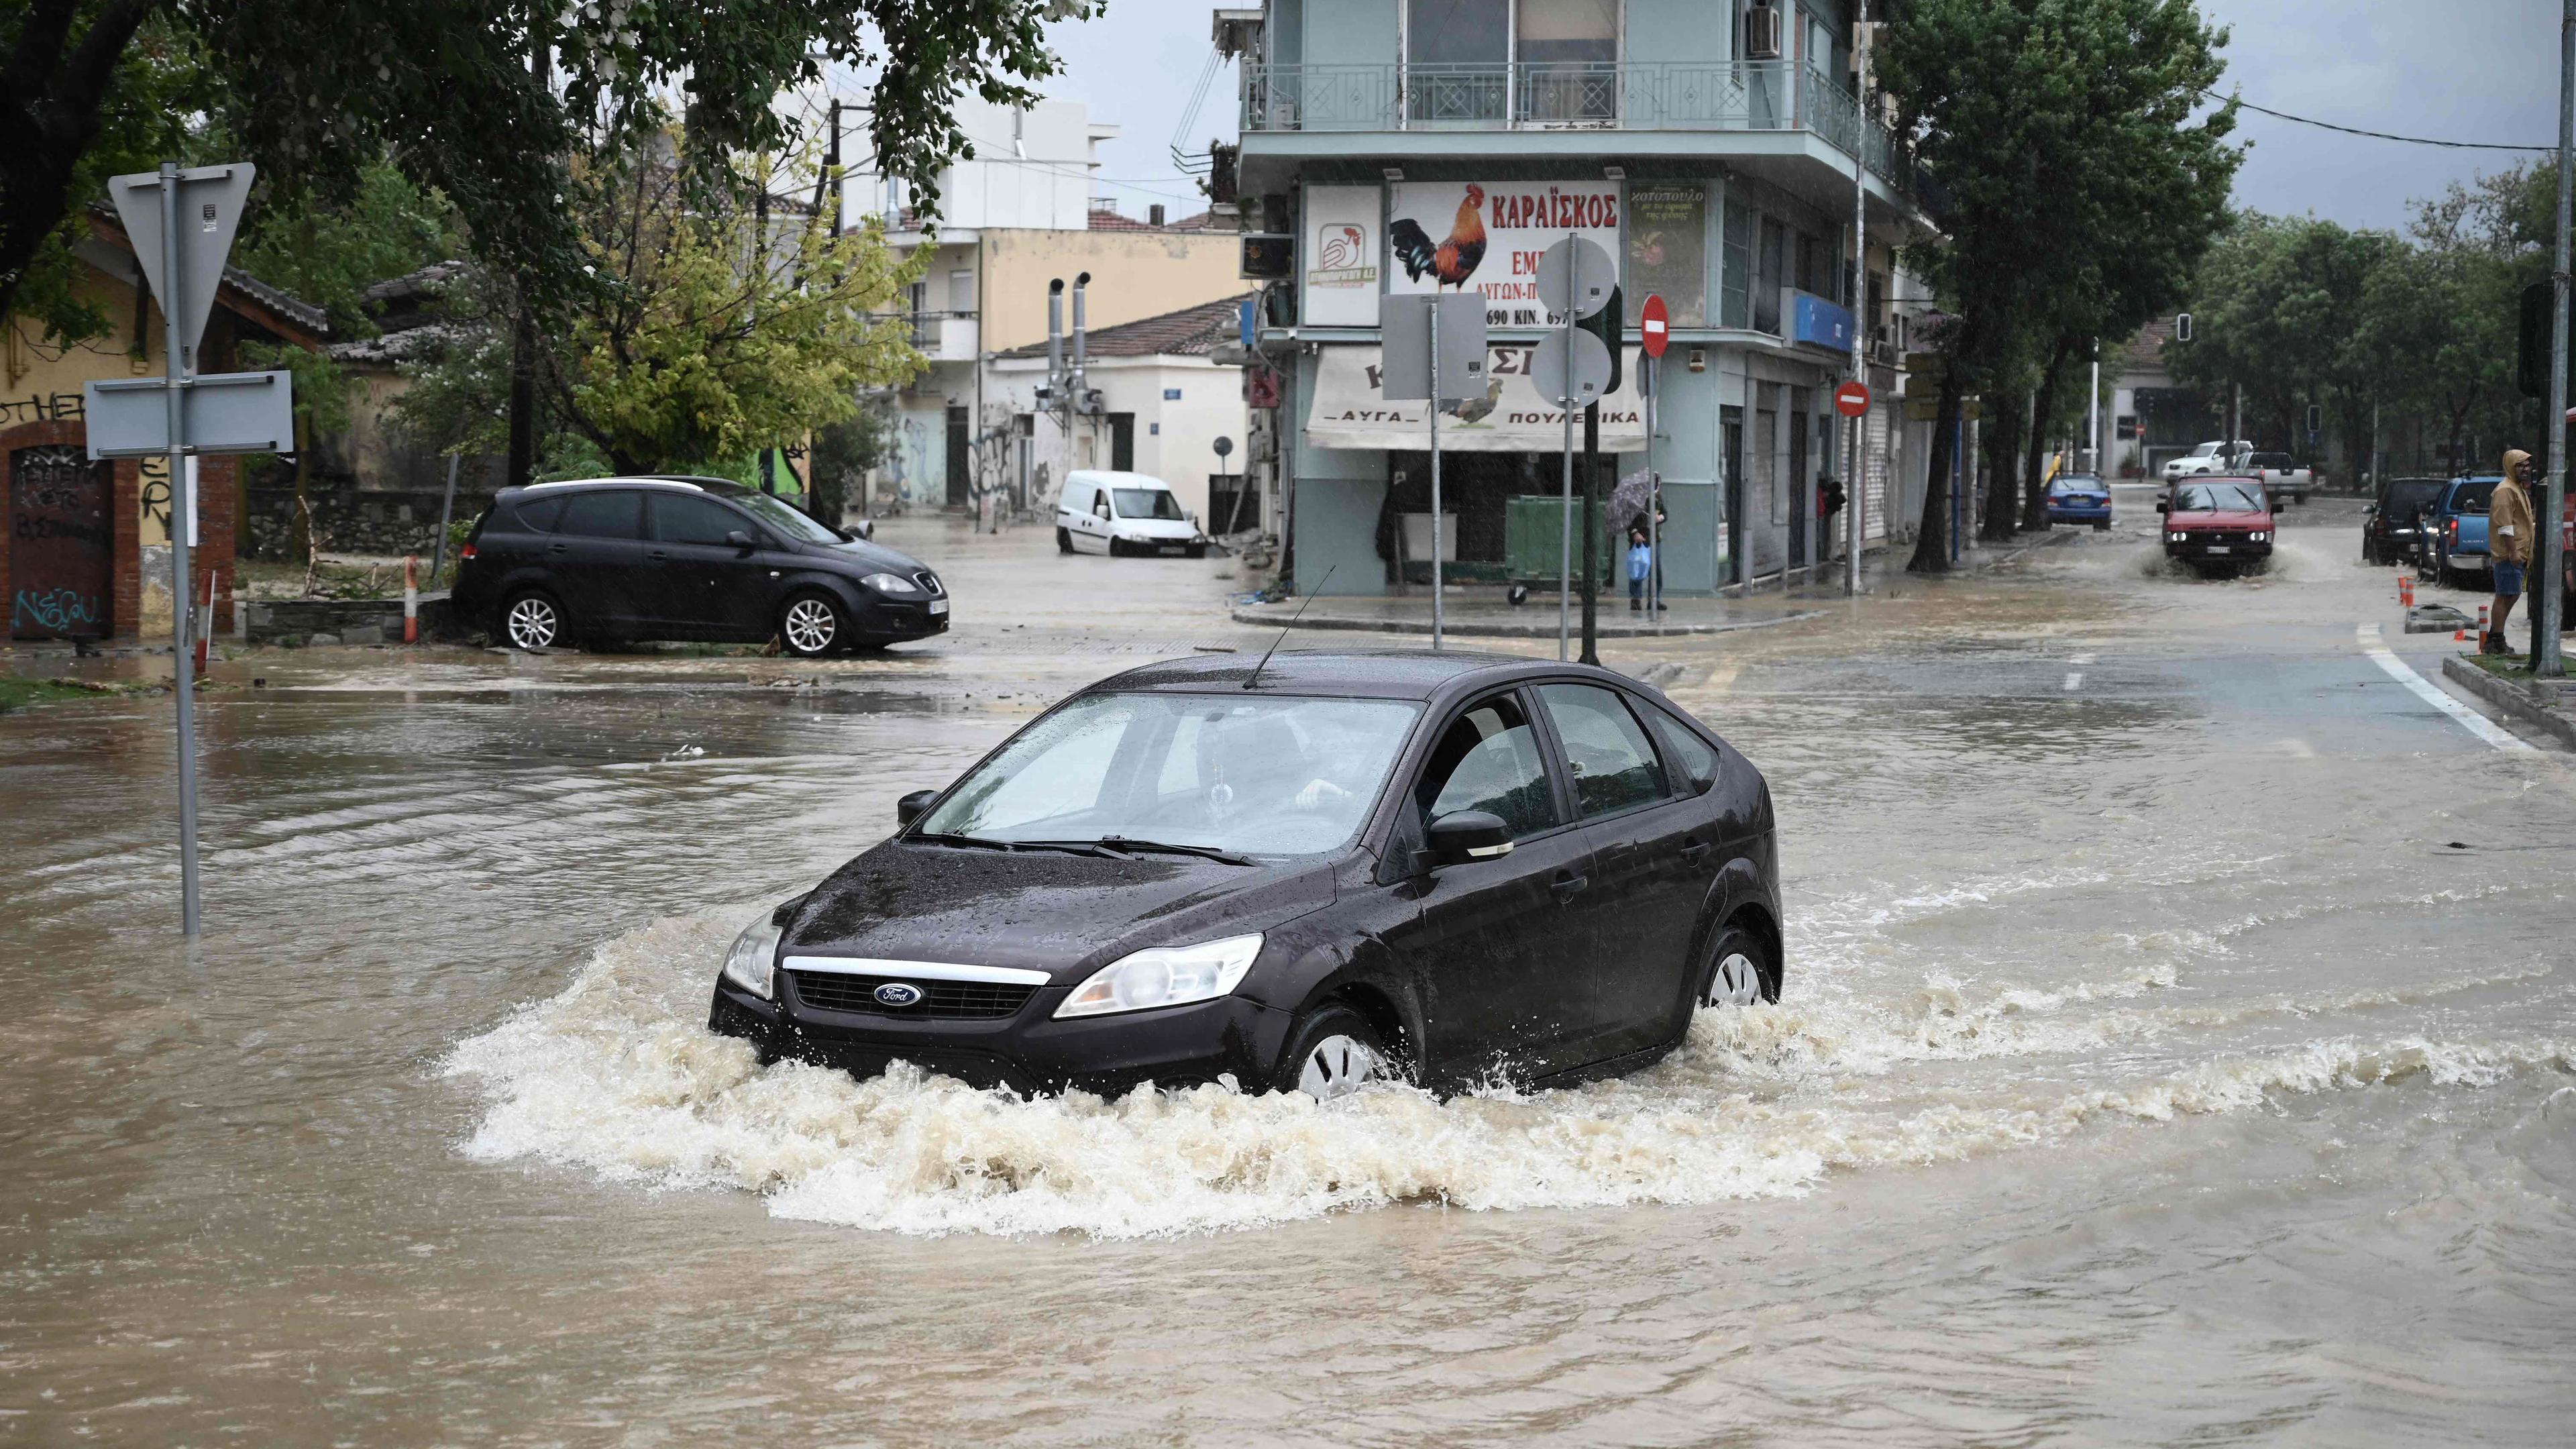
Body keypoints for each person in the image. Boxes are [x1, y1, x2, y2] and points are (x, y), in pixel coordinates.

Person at [2487, 449, 2534, 656]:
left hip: (2519, 553)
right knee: (2506, 595)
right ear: (2510, 467)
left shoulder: (2517, 488)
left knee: (2512, 594)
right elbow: (2505, 526)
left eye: (2527, 465)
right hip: (2509, 555)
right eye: (2520, 465)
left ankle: (2494, 637)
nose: (2525, 469)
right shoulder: (2505, 491)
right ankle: (2496, 640)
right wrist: (2513, 552)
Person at [1627, 527, 1652, 612]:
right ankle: (1636, 598)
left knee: (1648, 569)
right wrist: (1635, 533)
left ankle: (1652, 599)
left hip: (1650, 538)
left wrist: (1660, 519)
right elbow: (1629, 524)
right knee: (1636, 570)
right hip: (1638, 540)